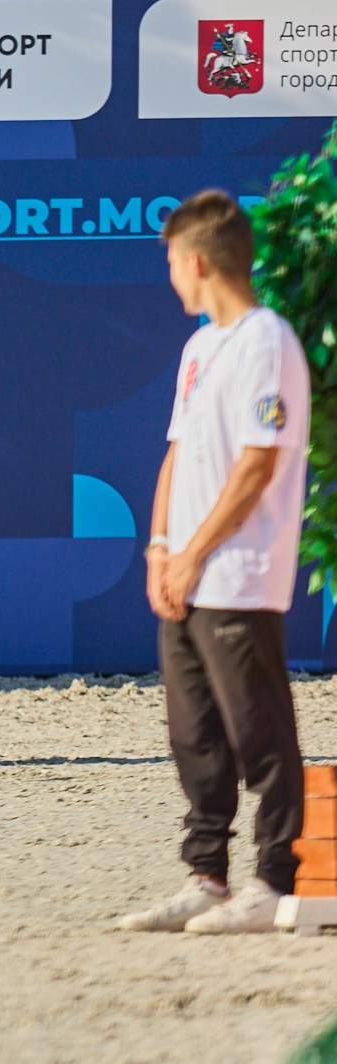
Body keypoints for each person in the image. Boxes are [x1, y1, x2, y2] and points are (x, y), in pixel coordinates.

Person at [115, 190, 311, 935]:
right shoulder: (199, 349)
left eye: (171, 261)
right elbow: (177, 452)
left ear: (196, 261)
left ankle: (273, 880)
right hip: (186, 572)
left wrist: (195, 554)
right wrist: (160, 549)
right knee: (194, 734)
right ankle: (207, 876)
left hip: (238, 573)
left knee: (259, 730)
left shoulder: (268, 341)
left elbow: (258, 464)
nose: (170, 275)